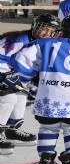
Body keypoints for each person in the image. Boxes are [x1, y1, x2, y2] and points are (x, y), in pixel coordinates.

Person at [4, 15, 70, 164]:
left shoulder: (43, 43)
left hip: (47, 99)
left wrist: (28, 77)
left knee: (48, 129)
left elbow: (22, 63)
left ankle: (46, 156)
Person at [0, 14, 61, 154]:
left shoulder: (44, 44)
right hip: (2, 74)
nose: (47, 34)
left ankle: (10, 130)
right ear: (36, 27)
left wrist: (37, 80)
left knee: (21, 97)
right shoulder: (18, 39)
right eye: (45, 29)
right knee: (9, 99)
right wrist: (5, 74)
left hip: (14, 77)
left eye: (52, 32)